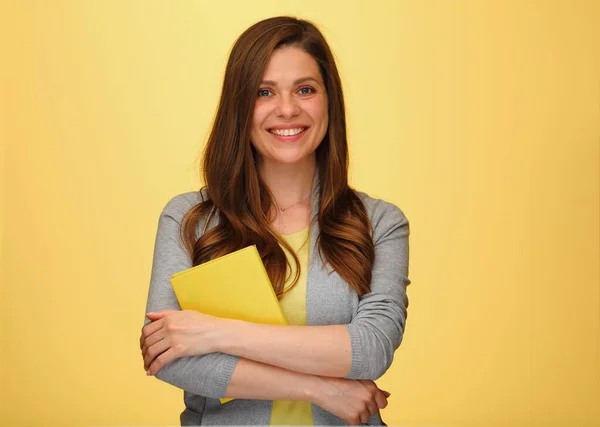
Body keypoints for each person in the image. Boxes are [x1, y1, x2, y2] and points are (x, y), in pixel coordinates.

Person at [140, 15, 411, 426]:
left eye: (305, 89)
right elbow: (169, 358)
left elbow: (371, 347)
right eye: (264, 92)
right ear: (239, 106)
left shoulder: (380, 223)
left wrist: (216, 333)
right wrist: (320, 388)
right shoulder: (189, 220)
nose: (287, 109)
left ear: (329, 101)